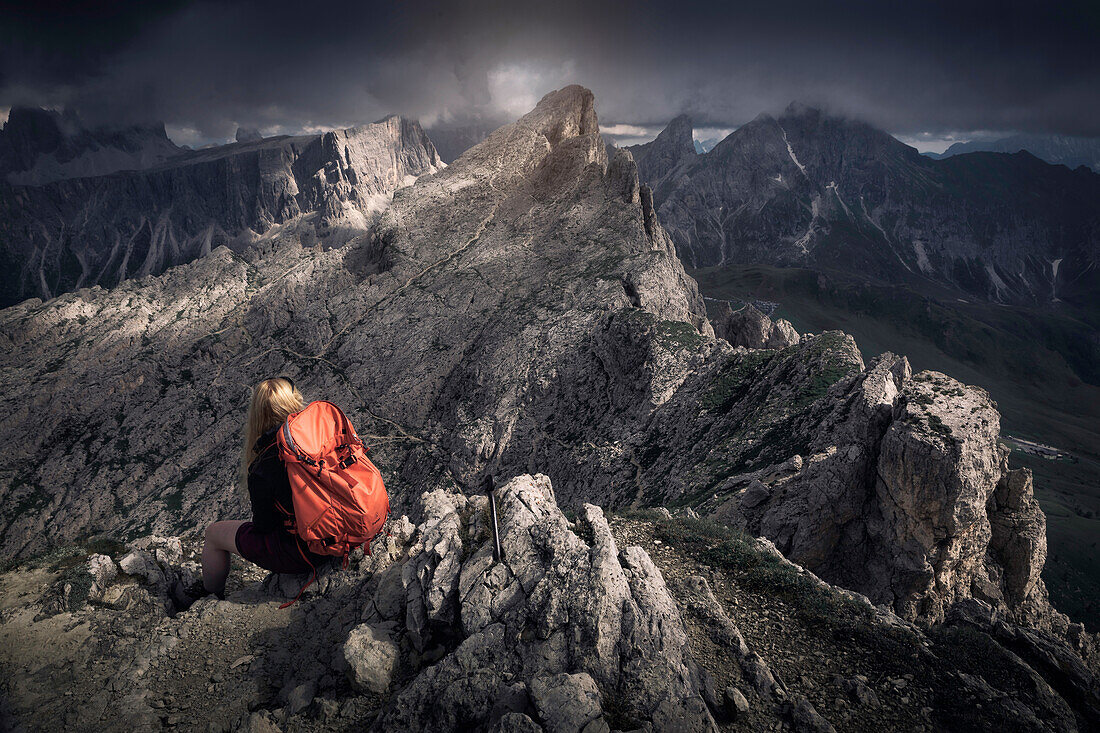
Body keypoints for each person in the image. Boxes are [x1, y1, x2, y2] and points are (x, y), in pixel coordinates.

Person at [195, 377, 328, 599]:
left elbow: (264, 525)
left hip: (306, 551)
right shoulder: (320, 436)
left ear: (258, 413)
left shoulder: (265, 461)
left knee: (213, 534)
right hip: (342, 534)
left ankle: (209, 596)